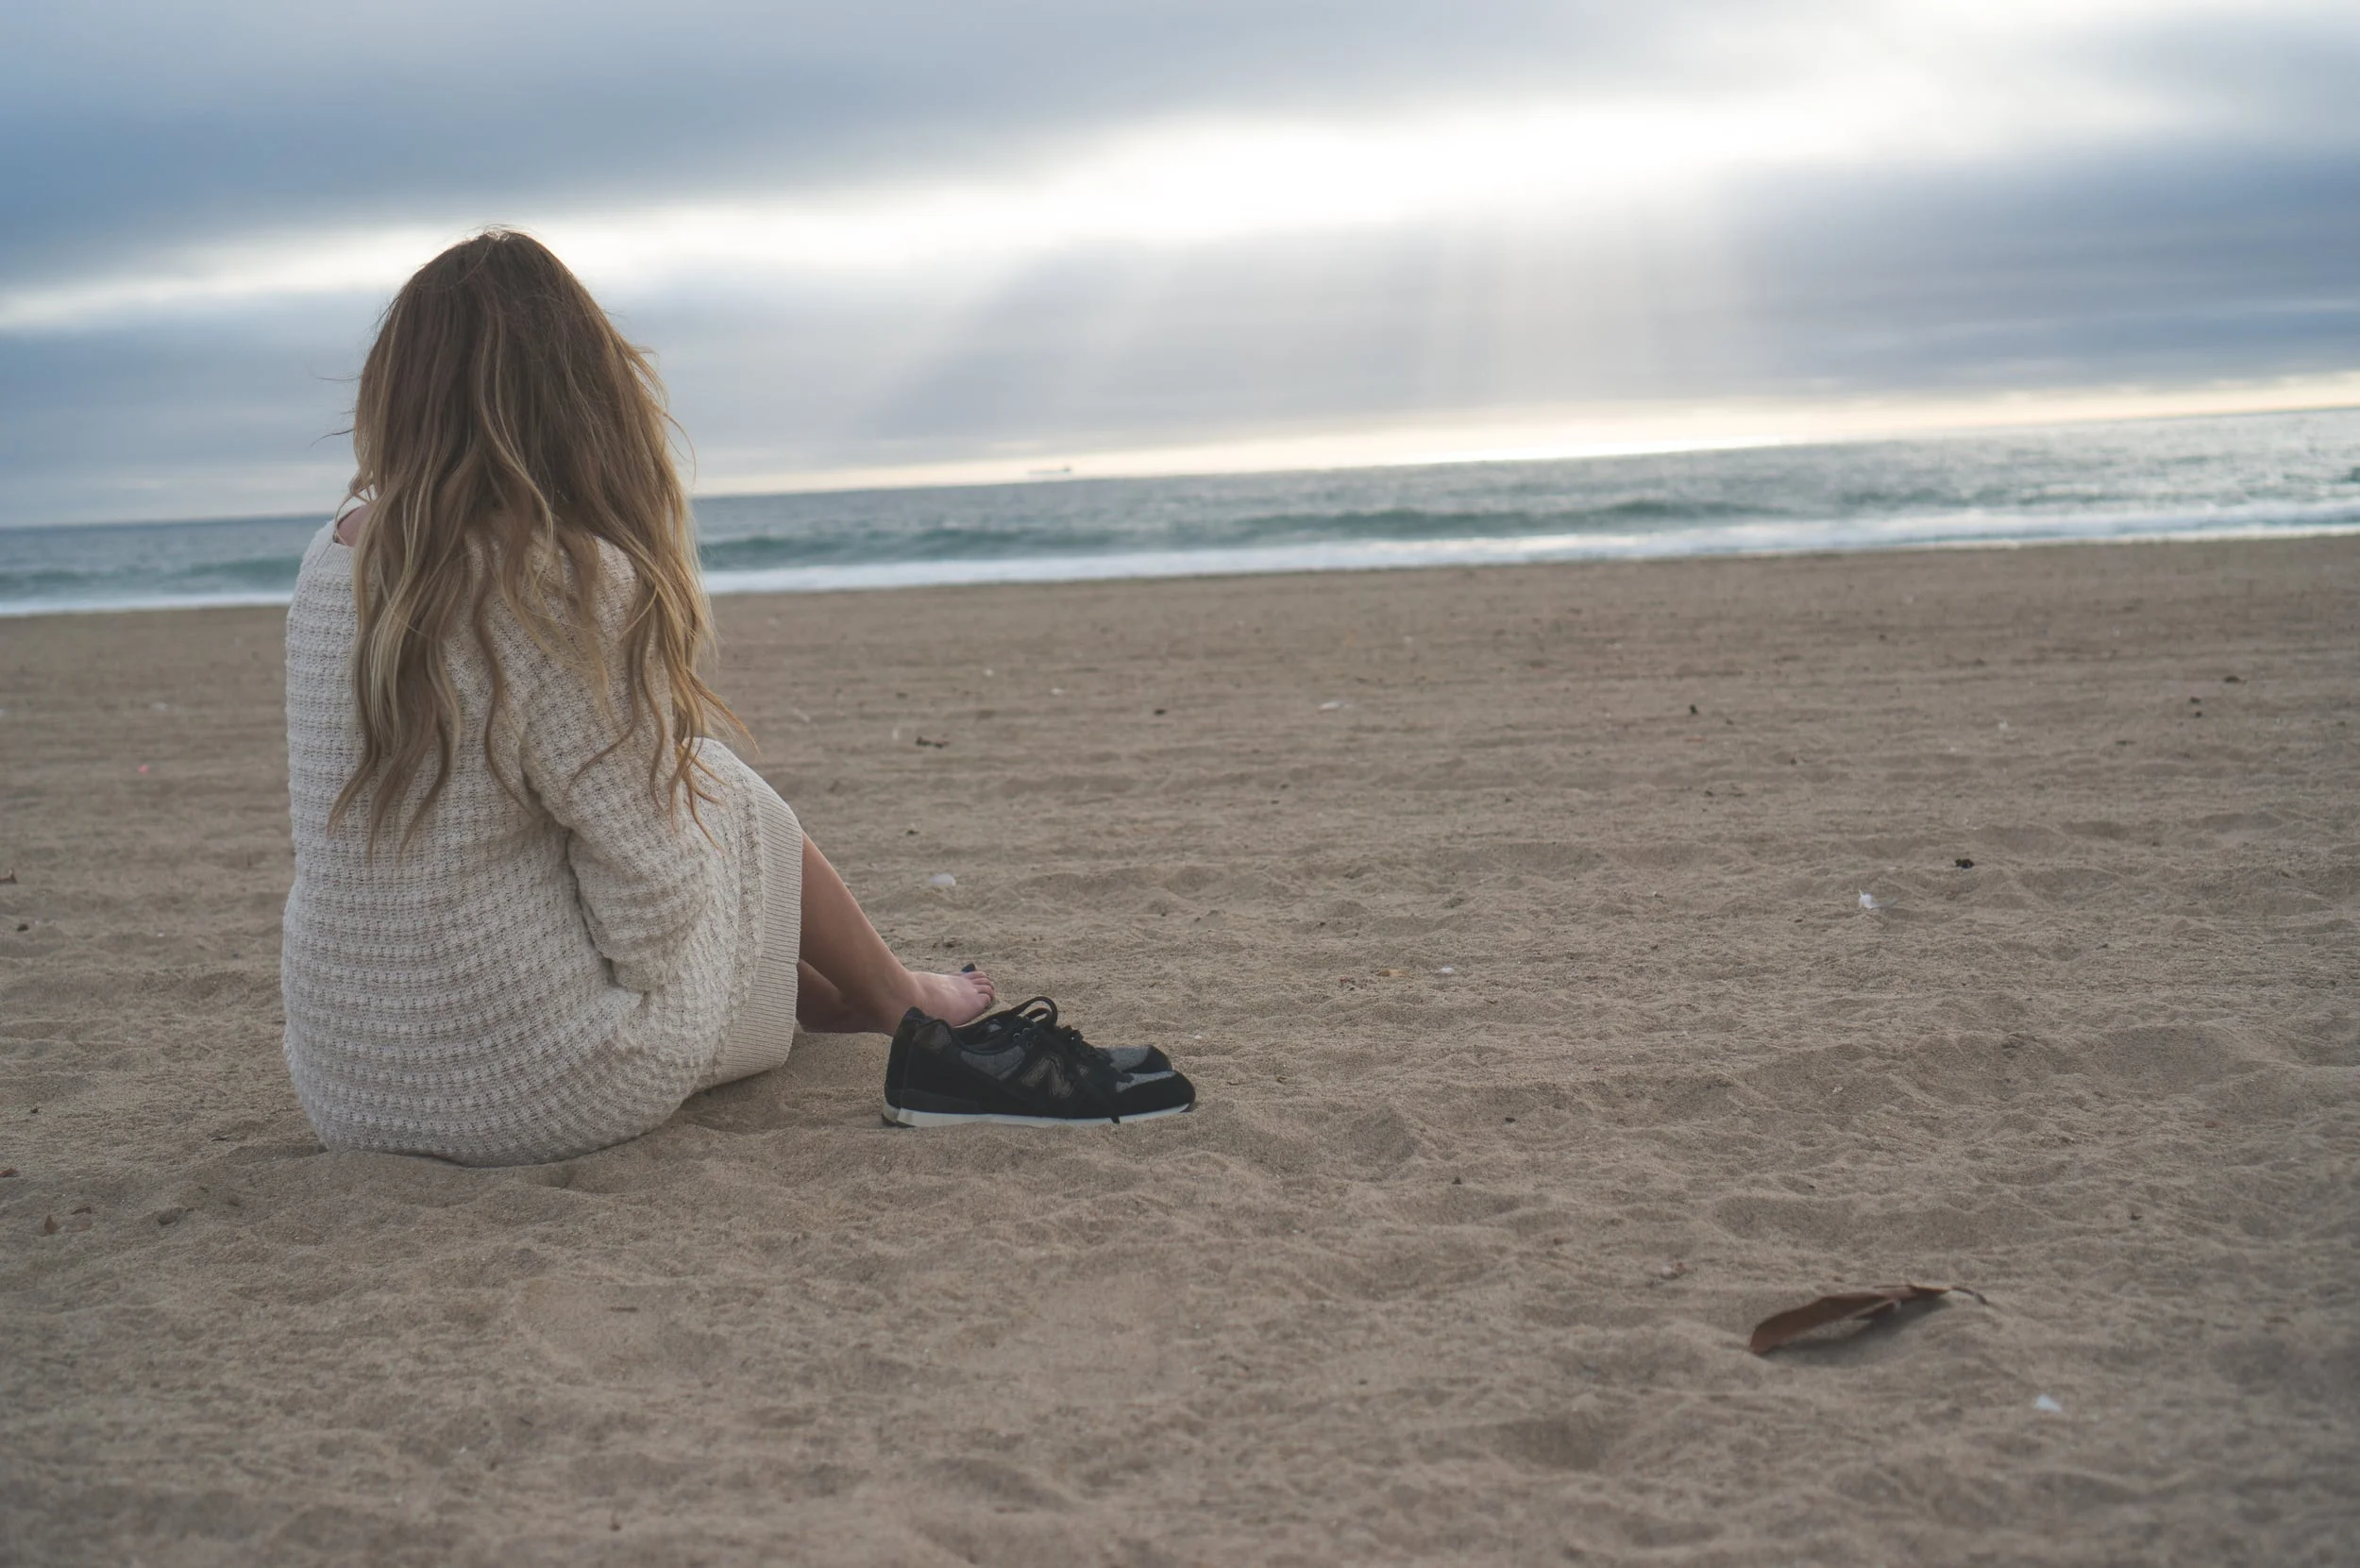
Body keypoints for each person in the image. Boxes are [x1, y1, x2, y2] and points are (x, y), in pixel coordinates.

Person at [280, 229, 997, 1166]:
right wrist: (708, 966)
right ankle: (896, 995)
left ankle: (870, 991)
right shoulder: (564, 580)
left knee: (685, 782)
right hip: (535, 1083)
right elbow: (653, 900)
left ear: (396, 389)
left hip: (346, 1082)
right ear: (583, 397)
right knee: (720, 791)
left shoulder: (330, 557)